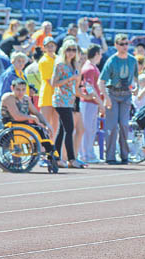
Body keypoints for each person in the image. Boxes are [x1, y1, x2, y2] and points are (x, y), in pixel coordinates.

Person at [98, 33, 139, 165]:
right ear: (116, 45)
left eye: (126, 44)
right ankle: (110, 156)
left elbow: (136, 78)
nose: (124, 46)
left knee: (124, 125)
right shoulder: (111, 61)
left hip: (126, 95)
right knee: (112, 126)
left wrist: (136, 87)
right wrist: (106, 97)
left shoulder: (133, 60)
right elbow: (101, 81)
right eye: (121, 44)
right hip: (113, 94)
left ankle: (125, 155)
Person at [51, 40, 84, 168]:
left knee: (62, 130)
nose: (71, 52)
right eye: (68, 49)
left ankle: (57, 157)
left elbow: (76, 86)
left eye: (74, 49)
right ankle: (71, 159)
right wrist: (70, 78)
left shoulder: (75, 65)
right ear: (64, 50)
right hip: (61, 100)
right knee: (69, 129)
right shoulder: (60, 64)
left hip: (69, 100)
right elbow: (54, 83)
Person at [0, 78, 53, 152]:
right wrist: (33, 118)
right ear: (12, 88)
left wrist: (47, 124)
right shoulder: (8, 97)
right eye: (18, 89)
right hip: (11, 126)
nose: (21, 92)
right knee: (39, 129)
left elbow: (36, 113)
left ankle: (49, 153)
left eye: (23, 89)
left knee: (42, 129)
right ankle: (50, 152)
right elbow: (17, 116)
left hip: (24, 126)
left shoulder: (26, 98)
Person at [79, 44, 104, 163]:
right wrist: (100, 102)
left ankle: (89, 153)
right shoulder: (90, 68)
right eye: (100, 54)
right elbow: (89, 87)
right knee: (87, 129)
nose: (101, 56)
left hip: (91, 102)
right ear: (96, 54)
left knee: (91, 129)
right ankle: (85, 154)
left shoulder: (92, 67)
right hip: (89, 102)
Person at [38, 36, 59, 140]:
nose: (50, 48)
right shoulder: (43, 61)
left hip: (57, 94)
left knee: (55, 125)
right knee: (45, 124)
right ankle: (43, 150)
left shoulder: (58, 58)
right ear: (44, 48)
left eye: (52, 45)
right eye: (48, 46)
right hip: (47, 95)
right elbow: (50, 81)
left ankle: (53, 149)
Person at [0, 51, 29, 117]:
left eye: (23, 61)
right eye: (19, 61)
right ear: (13, 62)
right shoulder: (8, 75)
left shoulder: (23, 74)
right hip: (10, 109)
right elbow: (4, 94)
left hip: (21, 107)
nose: (21, 63)